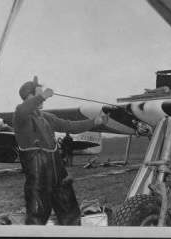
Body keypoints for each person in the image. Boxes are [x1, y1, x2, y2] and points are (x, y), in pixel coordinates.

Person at [13, 76, 108, 225]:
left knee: (71, 216)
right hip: (38, 182)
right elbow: (23, 109)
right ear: (30, 97)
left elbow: (70, 126)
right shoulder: (20, 117)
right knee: (36, 220)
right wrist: (43, 95)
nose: (43, 99)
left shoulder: (47, 118)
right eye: (39, 95)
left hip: (59, 178)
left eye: (42, 96)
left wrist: (96, 121)